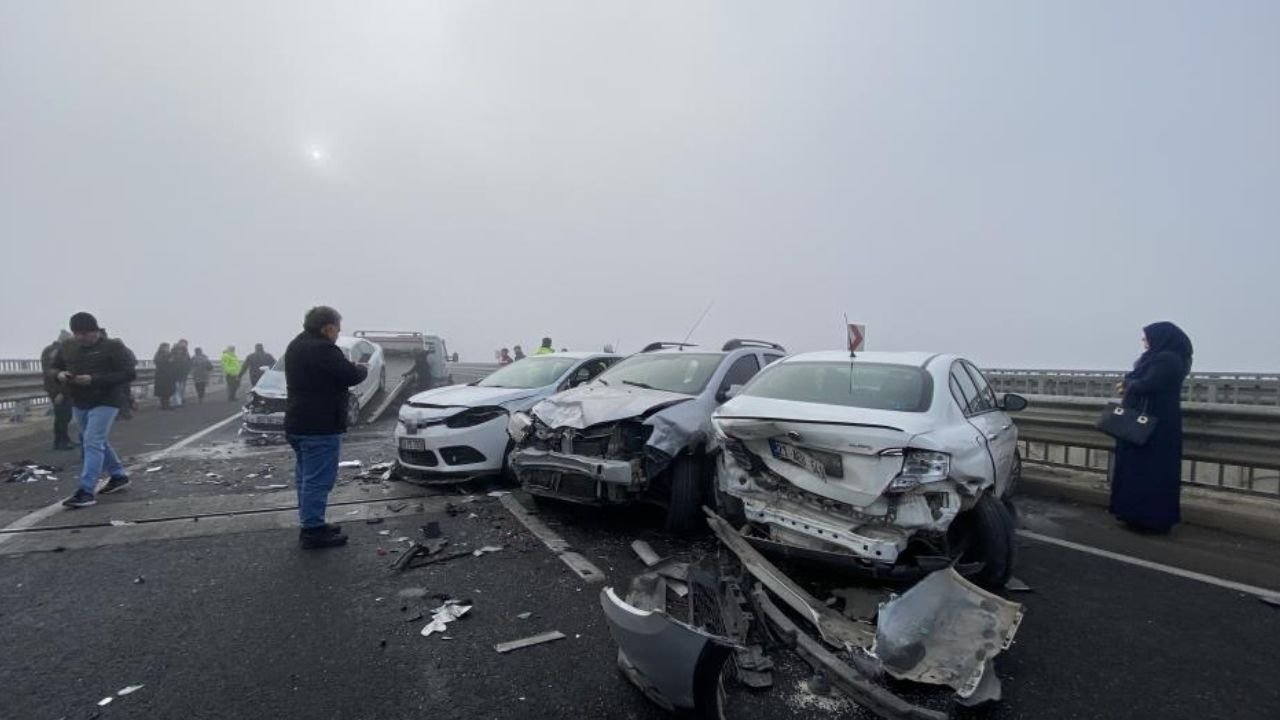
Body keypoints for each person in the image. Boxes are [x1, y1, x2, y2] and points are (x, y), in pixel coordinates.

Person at [285, 306, 367, 549]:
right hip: (319, 425)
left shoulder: (297, 344)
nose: (338, 334)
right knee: (318, 480)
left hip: (299, 422)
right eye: (337, 329)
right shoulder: (322, 349)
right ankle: (312, 530)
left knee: (305, 477)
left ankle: (313, 523)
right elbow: (351, 375)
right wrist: (359, 367)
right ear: (327, 327)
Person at [1109, 322, 1194, 535]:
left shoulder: (1167, 359)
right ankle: (1134, 515)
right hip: (1155, 422)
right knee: (1142, 471)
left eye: (1147, 337)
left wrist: (1128, 385)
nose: (1144, 341)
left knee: (1146, 473)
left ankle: (1147, 519)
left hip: (1152, 425)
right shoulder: (1170, 358)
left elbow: (1149, 384)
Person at [47, 312, 137, 508]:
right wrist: (60, 374)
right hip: (80, 400)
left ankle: (86, 490)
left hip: (107, 400)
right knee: (96, 440)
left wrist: (94, 379)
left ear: (95, 331)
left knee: (92, 441)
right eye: (77, 333)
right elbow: (53, 368)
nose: (81, 337)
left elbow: (129, 373)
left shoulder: (113, 346)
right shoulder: (68, 346)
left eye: (85, 333)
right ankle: (118, 476)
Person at [40, 330, 76, 450]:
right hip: (57, 389)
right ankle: (60, 442)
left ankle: (65, 439)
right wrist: (58, 392)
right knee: (62, 415)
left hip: (62, 388)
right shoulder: (55, 352)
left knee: (65, 415)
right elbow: (52, 374)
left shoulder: (52, 350)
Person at [153, 343, 175, 411]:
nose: (167, 349)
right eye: (166, 347)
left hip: (168, 375)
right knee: (162, 391)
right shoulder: (159, 354)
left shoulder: (170, 354)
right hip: (161, 375)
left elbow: (173, 363)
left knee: (168, 391)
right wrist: (167, 361)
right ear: (162, 347)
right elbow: (157, 362)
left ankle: (167, 405)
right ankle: (163, 405)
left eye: (168, 347)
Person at [170, 339, 191, 408]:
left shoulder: (185, 352)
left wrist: (188, 370)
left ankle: (180, 399)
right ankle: (177, 401)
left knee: (181, 387)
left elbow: (188, 362)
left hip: (183, 372)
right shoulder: (174, 351)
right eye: (184, 343)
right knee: (176, 387)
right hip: (175, 372)